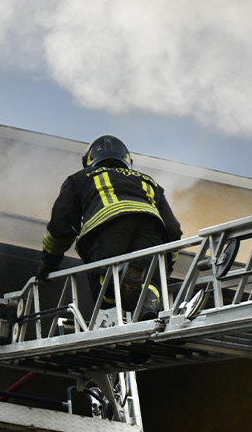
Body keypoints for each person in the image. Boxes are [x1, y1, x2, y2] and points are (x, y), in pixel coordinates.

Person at [36, 135, 183, 321]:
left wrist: (48, 264)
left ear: (89, 160)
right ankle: (148, 307)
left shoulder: (81, 178)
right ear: (127, 159)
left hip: (108, 227)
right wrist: (165, 267)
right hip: (151, 227)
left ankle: (122, 274)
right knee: (150, 278)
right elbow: (174, 230)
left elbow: (61, 225)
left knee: (105, 292)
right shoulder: (148, 181)